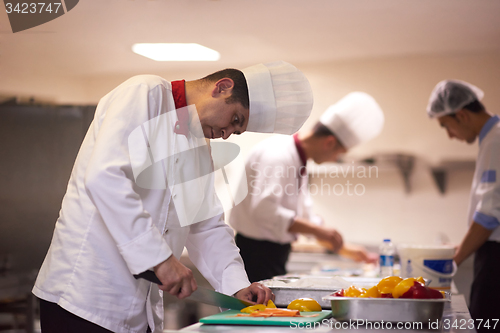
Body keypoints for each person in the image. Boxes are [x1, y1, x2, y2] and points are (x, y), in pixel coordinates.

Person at [32, 61, 313, 333]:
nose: (227, 134)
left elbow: (206, 225)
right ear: (222, 87)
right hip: (82, 296)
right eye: (235, 119)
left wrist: (237, 286)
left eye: (236, 131)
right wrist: (161, 260)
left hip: (135, 310)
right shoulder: (146, 94)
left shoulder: (200, 148)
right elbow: (105, 177)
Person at [229, 92, 384, 283]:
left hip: (272, 256)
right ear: (329, 142)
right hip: (255, 256)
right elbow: (264, 210)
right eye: (339, 154)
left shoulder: (298, 160)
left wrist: (347, 249)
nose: (335, 160)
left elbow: (305, 218)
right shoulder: (278, 154)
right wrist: (319, 231)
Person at [427, 79, 500, 331]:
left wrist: (453, 260)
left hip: (495, 259)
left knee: (488, 325)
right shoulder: (490, 139)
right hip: (490, 254)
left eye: (446, 126)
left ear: (462, 115)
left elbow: (490, 215)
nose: (449, 135)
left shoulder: (496, 139)